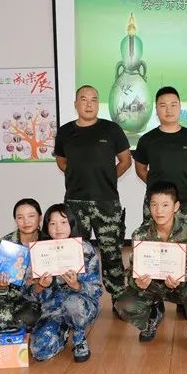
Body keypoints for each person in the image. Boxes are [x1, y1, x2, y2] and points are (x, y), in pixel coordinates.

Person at [53, 85, 132, 309]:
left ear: (98, 104)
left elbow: (126, 161)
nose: (89, 104)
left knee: (112, 253)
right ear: (76, 104)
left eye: (93, 100)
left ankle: (119, 300)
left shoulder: (111, 129)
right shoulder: (65, 131)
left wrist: (107, 177)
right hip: (75, 202)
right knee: (76, 254)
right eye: (84, 99)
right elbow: (61, 161)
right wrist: (77, 175)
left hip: (107, 202)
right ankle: (78, 299)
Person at [115, 181, 187, 356]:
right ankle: (153, 315)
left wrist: (180, 278)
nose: (159, 211)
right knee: (123, 304)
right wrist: (137, 282)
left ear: (176, 206)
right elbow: (132, 269)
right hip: (151, 286)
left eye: (165, 205)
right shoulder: (140, 233)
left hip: (179, 285)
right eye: (154, 205)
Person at [27, 204, 103, 362]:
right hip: (52, 308)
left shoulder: (85, 249)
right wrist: (41, 286)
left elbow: (96, 290)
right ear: (46, 226)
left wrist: (77, 285)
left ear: (71, 224)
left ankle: (79, 336)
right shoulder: (39, 252)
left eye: (63, 222)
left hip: (80, 306)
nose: (58, 228)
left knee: (73, 304)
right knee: (40, 351)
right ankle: (63, 330)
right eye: (52, 223)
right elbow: (28, 293)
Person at [133, 86, 187, 221]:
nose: (169, 110)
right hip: (156, 203)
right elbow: (140, 169)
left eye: (173, 105)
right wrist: (156, 185)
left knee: (186, 235)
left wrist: (184, 182)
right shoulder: (147, 139)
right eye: (163, 105)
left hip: (185, 201)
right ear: (156, 109)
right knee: (152, 235)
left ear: (180, 107)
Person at [0, 198, 45, 334]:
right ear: (15, 220)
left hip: (32, 298)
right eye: (20, 217)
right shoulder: (5, 244)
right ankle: (6, 326)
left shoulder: (47, 242)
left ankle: (12, 327)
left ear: (40, 218)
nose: (26, 221)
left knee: (29, 318)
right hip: (5, 296)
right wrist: (0, 287)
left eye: (31, 216)